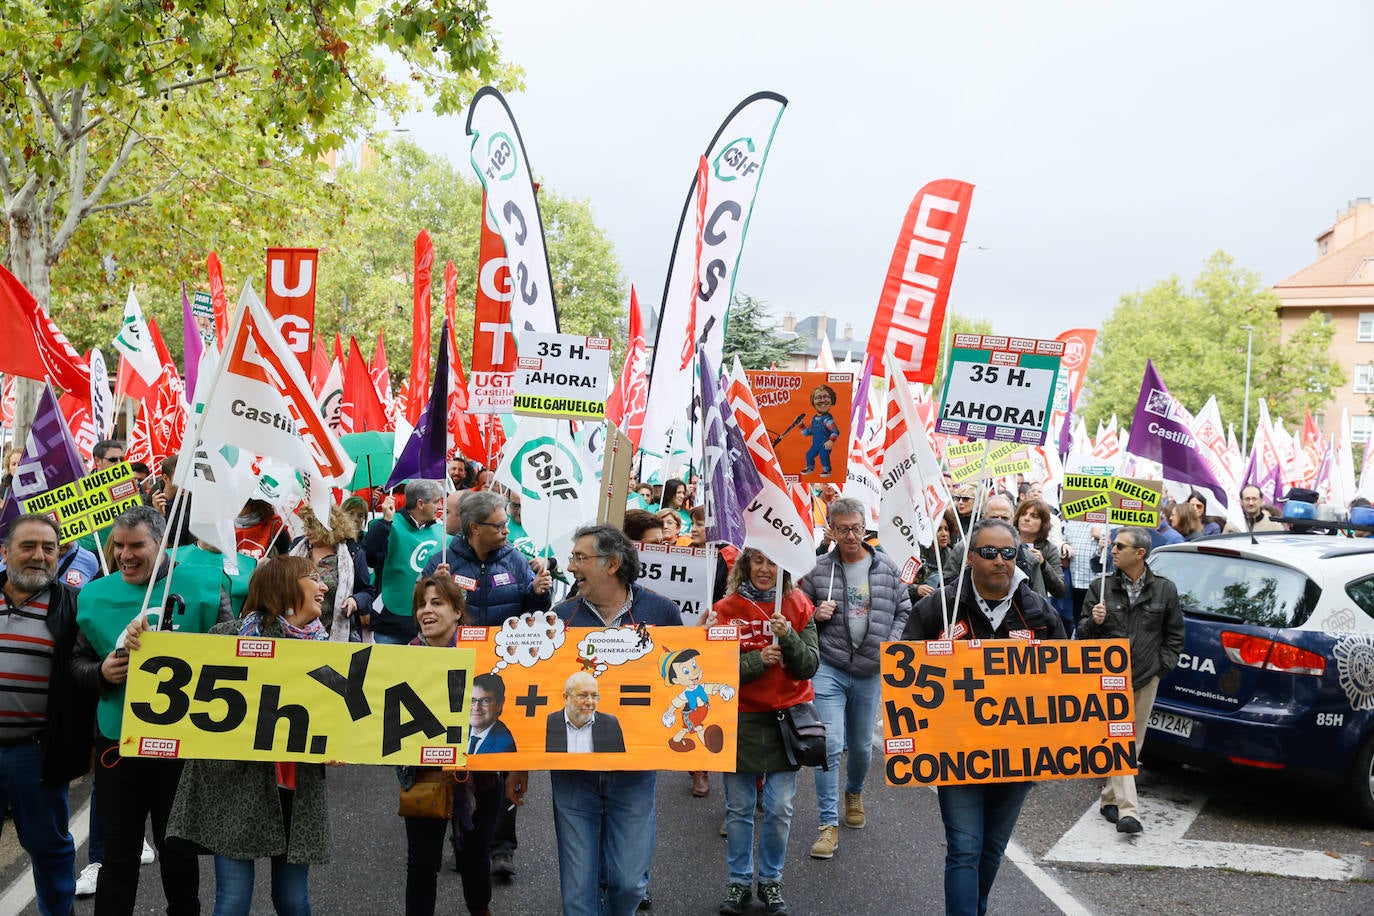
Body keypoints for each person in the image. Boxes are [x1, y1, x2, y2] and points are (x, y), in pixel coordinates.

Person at [506, 525, 682, 916]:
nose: (570, 567)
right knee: (578, 897)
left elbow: (678, 684)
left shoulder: (661, 612)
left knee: (628, 883)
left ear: (613, 564)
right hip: (574, 773)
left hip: (634, 772)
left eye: (580, 558)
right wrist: (520, 764)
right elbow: (533, 694)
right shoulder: (560, 618)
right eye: (572, 558)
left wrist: (705, 648)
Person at [71, 505, 229, 915]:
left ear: (161, 545)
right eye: (119, 545)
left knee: (177, 849)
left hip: (181, 743)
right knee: (118, 854)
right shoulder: (93, 595)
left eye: (137, 545)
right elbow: (77, 666)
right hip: (118, 741)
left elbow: (232, 659)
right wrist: (102, 673)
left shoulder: (207, 584)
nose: (125, 554)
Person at [905, 518, 1065, 916]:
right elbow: (901, 670)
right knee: (964, 848)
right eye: (990, 553)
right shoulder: (938, 607)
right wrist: (932, 660)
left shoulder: (1039, 612)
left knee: (991, 850)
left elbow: (1065, 680)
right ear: (971, 558)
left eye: (1008, 553)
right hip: (954, 753)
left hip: (1016, 757)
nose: (1000, 561)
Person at [162, 556, 334, 915]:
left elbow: (342, 717)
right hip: (237, 787)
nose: (324, 587)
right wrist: (139, 640)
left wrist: (339, 741)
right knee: (233, 901)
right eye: (314, 577)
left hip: (296, 788)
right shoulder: (225, 639)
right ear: (285, 585)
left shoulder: (326, 650)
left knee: (292, 900)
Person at [799, 497, 912, 859]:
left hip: (869, 670)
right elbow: (798, 614)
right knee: (829, 744)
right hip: (829, 668)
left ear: (865, 528)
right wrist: (815, 614)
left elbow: (904, 610)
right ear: (830, 530)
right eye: (843, 528)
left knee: (862, 747)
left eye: (857, 528)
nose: (851, 535)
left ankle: (854, 792)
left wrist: (891, 646)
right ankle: (827, 824)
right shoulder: (817, 570)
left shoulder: (886, 567)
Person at [709, 548, 817, 916]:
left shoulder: (799, 604)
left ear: (784, 568)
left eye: (773, 562)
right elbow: (714, 670)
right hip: (740, 718)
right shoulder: (725, 609)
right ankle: (739, 883)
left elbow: (809, 665)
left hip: (787, 721)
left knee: (780, 807)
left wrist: (787, 638)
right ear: (746, 565)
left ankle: (771, 882)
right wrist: (757, 660)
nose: (766, 569)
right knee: (739, 809)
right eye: (758, 561)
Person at [0, 515, 96, 916]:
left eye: (49, 548)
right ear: (5, 553)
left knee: (50, 850)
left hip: (36, 754)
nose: (39, 556)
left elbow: (88, 673)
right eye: (28, 547)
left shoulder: (73, 609)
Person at [401, 576, 504, 916]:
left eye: (437, 603)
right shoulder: (401, 660)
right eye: (421, 604)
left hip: (481, 778)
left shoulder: (486, 657)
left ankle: (480, 909)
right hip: (422, 777)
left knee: (475, 859)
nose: (426, 611)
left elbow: (509, 718)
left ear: (458, 611)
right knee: (421, 865)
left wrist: (520, 768)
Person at [1076, 526, 1185, 835]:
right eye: (1113, 545)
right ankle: (1129, 811)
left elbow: (1174, 635)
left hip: (1146, 676)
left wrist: (1160, 669)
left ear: (1140, 553)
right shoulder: (1100, 587)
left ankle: (1110, 799)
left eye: (1120, 546)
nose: (1113, 550)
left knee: (1132, 743)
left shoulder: (1165, 590)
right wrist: (1093, 622)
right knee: (1119, 740)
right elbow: (1081, 636)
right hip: (1109, 679)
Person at [421, 490, 552, 625]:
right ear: (475, 528)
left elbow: (533, 617)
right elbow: (419, 610)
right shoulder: (441, 562)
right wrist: (434, 589)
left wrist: (538, 594)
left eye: (505, 523)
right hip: (457, 645)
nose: (506, 531)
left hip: (503, 645)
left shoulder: (517, 561)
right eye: (499, 526)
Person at [361, 479, 446, 644]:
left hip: (427, 623)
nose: (440, 506)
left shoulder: (440, 530)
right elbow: (369, 556)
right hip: (390, 620)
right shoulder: (388, 524)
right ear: (421, 504)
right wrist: (385, 522)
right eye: (436, 502)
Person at [290, 505, 373, 641]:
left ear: (329, 525)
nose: (307, 532)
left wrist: (355, 600)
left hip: (335, 637)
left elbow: (367, 592)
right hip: (295, 634)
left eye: (312, 527)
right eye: (305, 526)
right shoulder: (296, 548)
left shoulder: (353, 553)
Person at [545, 671, 626, 753]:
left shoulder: (610, 724)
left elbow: (619, 763)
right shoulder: (548, 723)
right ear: (566, 698)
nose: (589, 702)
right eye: (582, 695)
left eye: (594, 696)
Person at [1012, 499, 1066, 601]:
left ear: (1043, 523)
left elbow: (1060, 591)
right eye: (1023, 514)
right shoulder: (1007, 542)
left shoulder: (1049, 549)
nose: (1026, 519)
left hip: (1035, 606)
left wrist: (1043, 565)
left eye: (1034, 516)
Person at [801, 383, 840, 476]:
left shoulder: (827, 420)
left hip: (824, 445)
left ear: (831, 400)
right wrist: (800, 425)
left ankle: (826, 470)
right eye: (818, 397)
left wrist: (831, 441)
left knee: (823, 456)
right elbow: (807, 433)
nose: (822, 400)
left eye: (826, 396)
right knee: (809, 455)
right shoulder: (814, 419)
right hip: (815, 445)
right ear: (813, 402)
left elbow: (835, 431)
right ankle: (810, 468)